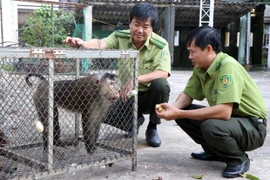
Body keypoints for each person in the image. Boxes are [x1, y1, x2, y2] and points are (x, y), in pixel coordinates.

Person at [156, 26, 267, 178]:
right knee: (184, 115)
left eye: (192, 51)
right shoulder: (201, 68)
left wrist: (180, 112)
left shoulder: (227, 66)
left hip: (253, 127)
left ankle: (238, 160)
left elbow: (224, 112)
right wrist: (172, 109)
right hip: (234, 122)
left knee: (211, 126)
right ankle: (215, 152)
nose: (189, 56)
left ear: (208, 49)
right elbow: (188, 95)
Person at [64, 2, 171, 147]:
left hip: (149, 97)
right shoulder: (120, 36)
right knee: (98, 112)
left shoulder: (160, 44)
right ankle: (134, 121)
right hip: (126, 95)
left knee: (161, 85)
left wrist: (136, 79)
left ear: (152, 28)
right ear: (130, 23)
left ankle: (153, 127)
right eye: (136, 24)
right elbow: (102, 43)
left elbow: (163, 72)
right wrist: (83, 43)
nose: (140, 30)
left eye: (145, 27)